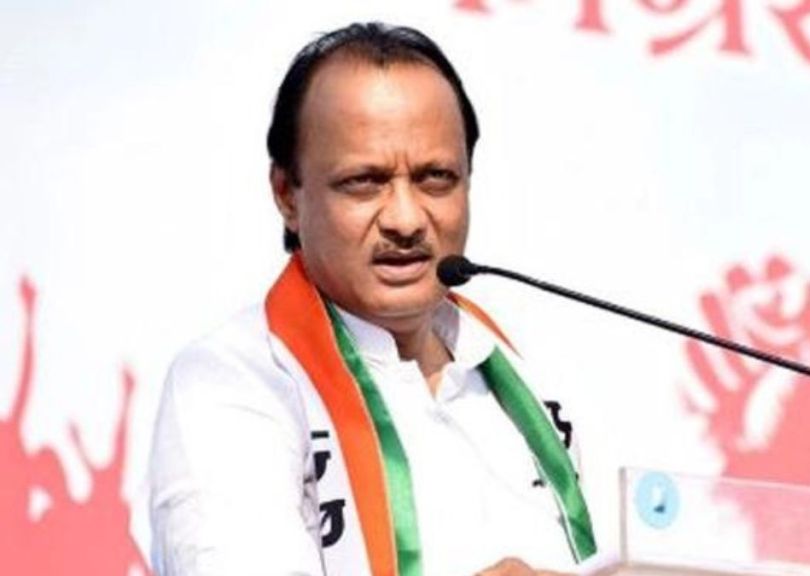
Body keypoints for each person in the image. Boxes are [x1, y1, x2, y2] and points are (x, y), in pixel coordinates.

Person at [148, 22, 596, 576]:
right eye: (365, 181)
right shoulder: (233, 382)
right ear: (287, 194)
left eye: (436, 178)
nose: (406, 220)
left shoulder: (515, 373)